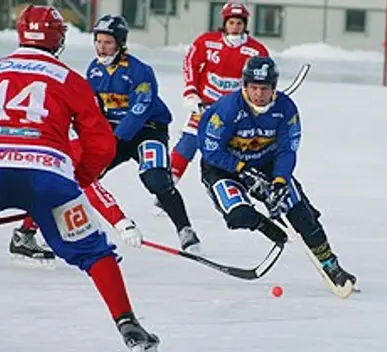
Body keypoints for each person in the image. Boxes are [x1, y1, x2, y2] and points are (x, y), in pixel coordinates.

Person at [0, 5, 159, 352]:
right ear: (58, 39)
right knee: (94, 253)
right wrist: (77, 179)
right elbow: (101, 144)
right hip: (48, 175)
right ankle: (128, 324)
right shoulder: (70, 79)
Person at [197, 56, 357, 290]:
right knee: (239, 216)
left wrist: (280, 180)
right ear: (245, 86)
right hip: (225, 168)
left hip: (267, 165)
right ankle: (269, 228)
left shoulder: (286, 109)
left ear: (274, 87)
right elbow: (210, 151)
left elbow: (287, 149)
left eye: (265, 88)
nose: (259, 94)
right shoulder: (226, 110)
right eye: (254, 88)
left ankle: (331, 265)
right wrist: (242, 170)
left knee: (300, 213)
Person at [0, 131, 143, 267]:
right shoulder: (68, 140)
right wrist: (120, 221)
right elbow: (87, 186)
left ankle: (25, 235)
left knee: (46, 192)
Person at [86, 14, 201, 253]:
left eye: (108, 42)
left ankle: (185, 230)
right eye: (99, 41)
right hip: (114, 133)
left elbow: (141, 108)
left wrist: (113, 139)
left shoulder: (139, 71)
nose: (102, 47)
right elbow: (92, 108)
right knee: (83, 176)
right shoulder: (94, 71)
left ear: (120, 43)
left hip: (147, 131)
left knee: (156, 179)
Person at [168, 2, 269, 183]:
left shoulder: (256, 50)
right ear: (224, 22)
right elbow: (190, 63)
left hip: (233, 110)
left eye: (239, 23)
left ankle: (237, 186)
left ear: (245, 24)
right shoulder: (207, 41)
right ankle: (166, 188)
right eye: (231, 23)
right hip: (205, 104)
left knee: (231, 150)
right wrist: (191, 91)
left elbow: (263, 80)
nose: (235, 27)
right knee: (188, 143)